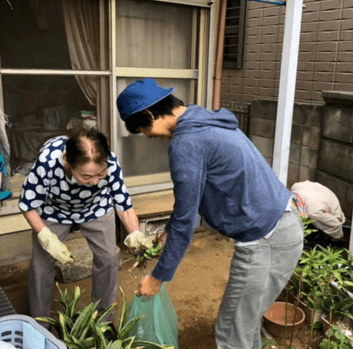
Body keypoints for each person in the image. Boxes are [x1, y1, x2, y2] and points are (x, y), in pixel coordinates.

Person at [116, 78, 304, 349]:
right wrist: (167, 235)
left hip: (266, 241)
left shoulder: (187, 142)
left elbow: (185, 219)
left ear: (148, 114)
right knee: (245, 325)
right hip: (283, 227)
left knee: (231, 334)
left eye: (143, 129)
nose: (149, 136)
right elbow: (187, 207)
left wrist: (157, 278)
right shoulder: (204, 121)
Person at [18, 126, 141, 330]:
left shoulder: (110, 162)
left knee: (108, 259)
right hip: (53, 210)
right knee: (41, 266)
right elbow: (27, 204)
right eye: (86, 176)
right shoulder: (48, 162)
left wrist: (135, 233)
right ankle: (40, 326)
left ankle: (103, 321)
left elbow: (123, 205)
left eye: (100, 174)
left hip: (96, 207)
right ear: (68, 162)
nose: (94, 181)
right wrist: (46, 236)